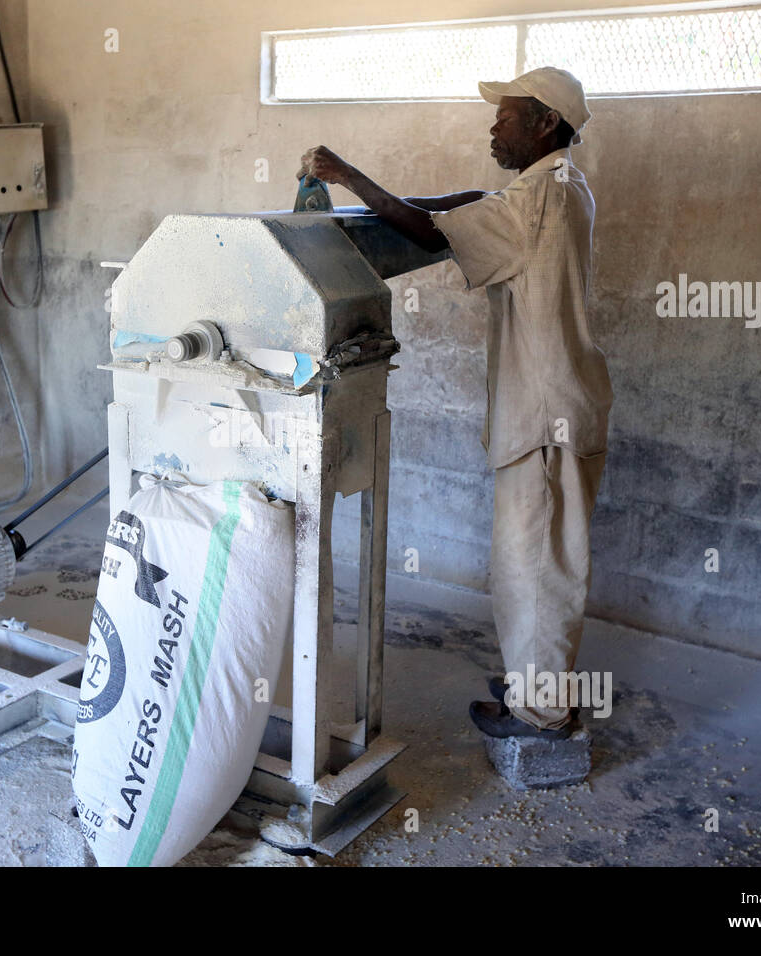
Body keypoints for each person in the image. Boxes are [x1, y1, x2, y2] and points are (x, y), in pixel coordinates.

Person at [298, 67, 612, 740]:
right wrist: (383, 202)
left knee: (537, 567)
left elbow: (434, 232)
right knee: (528, 559)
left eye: (506, 116)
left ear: (546, 124)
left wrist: (350, 176)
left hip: (547, 418)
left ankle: (543, 712)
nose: (492, 126)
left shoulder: (539, 201)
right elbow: (467, 205)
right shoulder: (554, 185)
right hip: (551, 408)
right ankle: (536, 685)